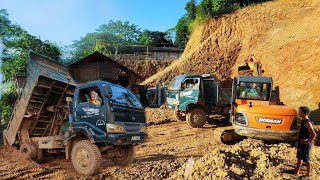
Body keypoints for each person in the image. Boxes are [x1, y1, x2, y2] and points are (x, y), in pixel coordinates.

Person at [292, 106, 316, 179]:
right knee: (299, 157)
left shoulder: (307, 122)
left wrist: (307, 141)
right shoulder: (303, 120)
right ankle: (297, 170)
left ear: (304, 113)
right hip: (301, 143)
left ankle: (308, 175)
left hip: (305, 145)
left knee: (306, 160)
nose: (298, 113)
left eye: (300, 112)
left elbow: (313, 133)